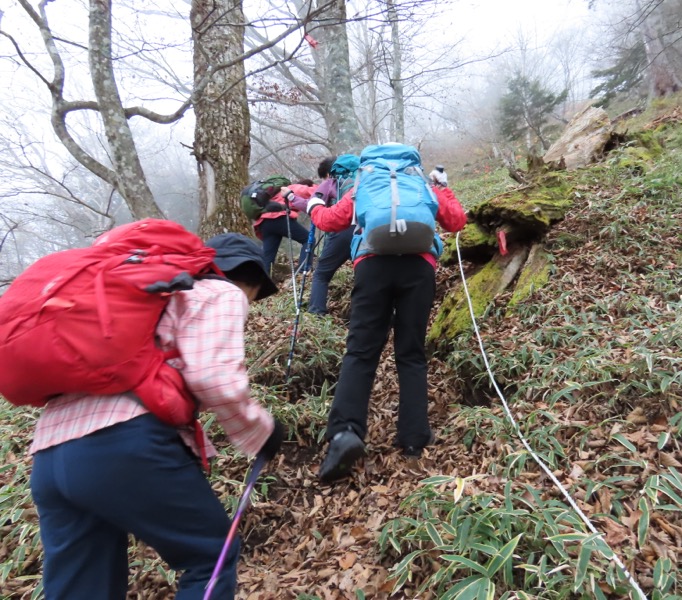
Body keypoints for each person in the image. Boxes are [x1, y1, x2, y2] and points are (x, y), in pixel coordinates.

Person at [29, 232, 286, 599]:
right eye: (255, 297)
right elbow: (214, 378)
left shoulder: (148, 293)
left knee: (82, 586)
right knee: (211, 556)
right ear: (249, 281)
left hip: (50, 453)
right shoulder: (219, 291)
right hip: (121, 444)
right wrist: (262, 431)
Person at [299, 156, 467, 483]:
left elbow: (332, 221)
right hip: (419, 268)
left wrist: (312, 206)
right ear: (411, 162)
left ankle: (346, 432)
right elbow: (456, 221)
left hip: (372, 266)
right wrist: (443, 190)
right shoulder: (418, 184)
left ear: (369, 162)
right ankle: (414, 437)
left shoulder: (364, 183)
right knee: (411, 353)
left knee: (361, 351)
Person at [308, 154, 360, 315]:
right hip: (366, 231)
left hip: (342, 228)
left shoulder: (331, 181)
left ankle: (316, 312)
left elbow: (314, 203)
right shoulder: (366, 180)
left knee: (322, 274)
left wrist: (293, 199)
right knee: (363, 273)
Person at [252, 179, 316, 276]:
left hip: (265, 222)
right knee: (308, 239)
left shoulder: (278, 192)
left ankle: (261, 283)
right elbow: (317, 192)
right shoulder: (295, 187)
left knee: (268, 257)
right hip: (279, 218)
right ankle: (304, 269)